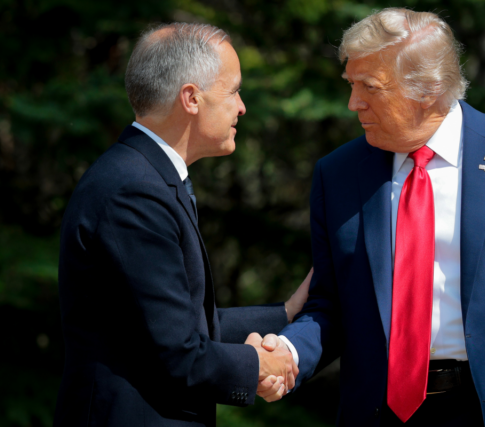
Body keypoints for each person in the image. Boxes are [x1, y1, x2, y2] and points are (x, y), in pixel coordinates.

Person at [259, 8, 485, 427]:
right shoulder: (338, 175)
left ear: (429, 88)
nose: (353, 102)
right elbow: (331, 305)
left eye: (369, 87)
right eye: (351, 84)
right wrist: (288, 354)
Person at [54, 23, 309, 427]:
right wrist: (259, 364)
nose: (242, 106)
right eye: (233, 91)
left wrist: (288, 313)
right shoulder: (133, 192)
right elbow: (178, 351)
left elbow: (178, 323)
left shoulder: (144, 177)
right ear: (191, 98)